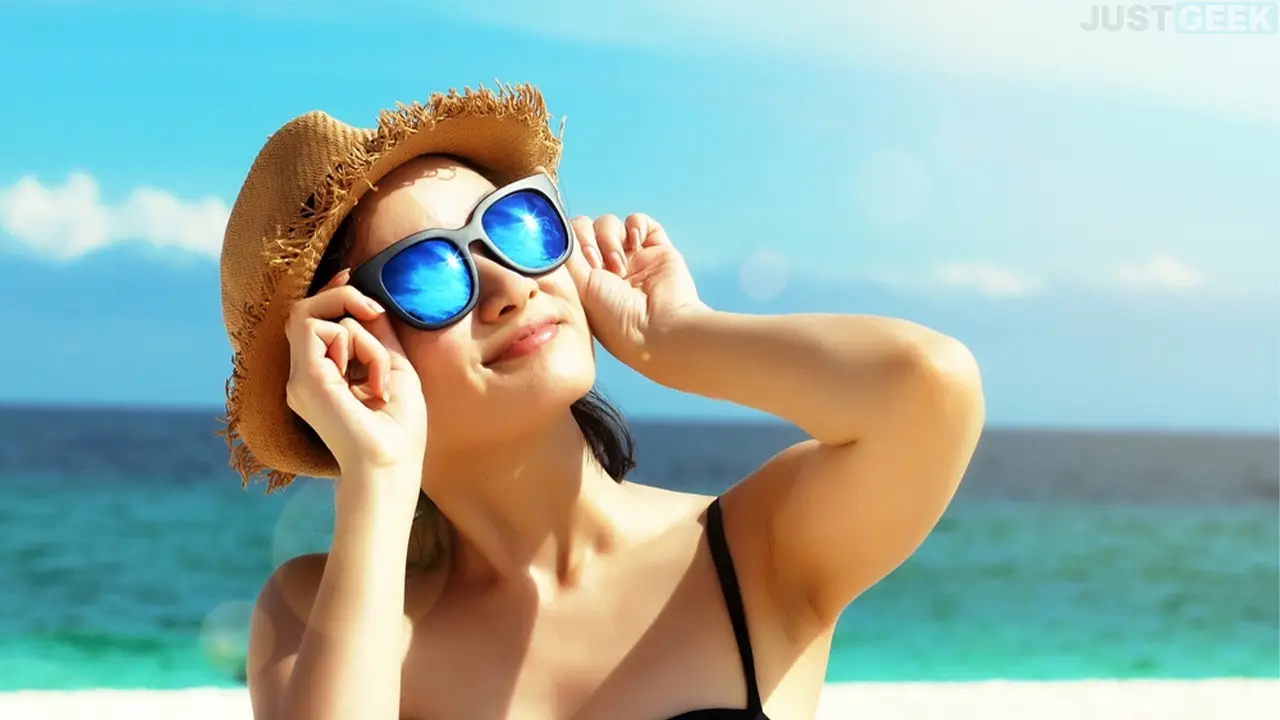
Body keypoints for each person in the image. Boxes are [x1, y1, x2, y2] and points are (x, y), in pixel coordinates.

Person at [218, 83, 984, 720]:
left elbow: (928, 386)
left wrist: (672, 336)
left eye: (517, 226)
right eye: (428, 274)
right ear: (347, 359)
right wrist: (378, 476)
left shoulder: (750, 550)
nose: (510, 287)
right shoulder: (312, 616)